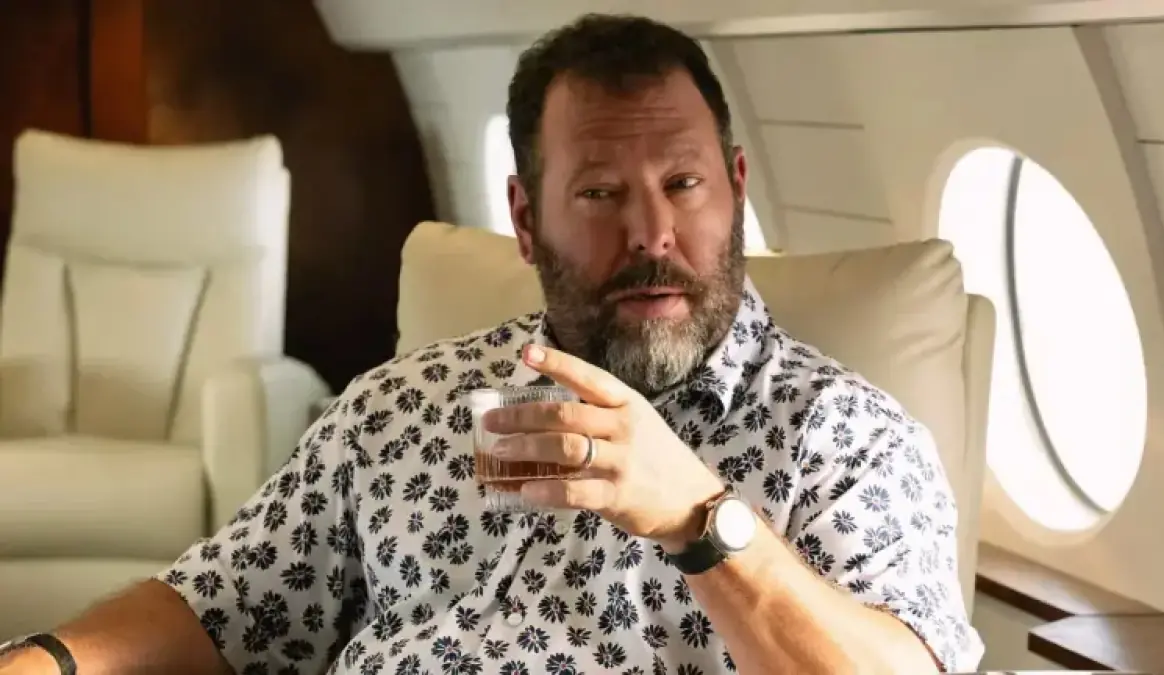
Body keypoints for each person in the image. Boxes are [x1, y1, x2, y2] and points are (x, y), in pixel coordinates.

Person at [0, 13, 984, 675]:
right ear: (524, 218)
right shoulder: (404, 404)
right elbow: (221, 602)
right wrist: (44, 662)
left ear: (734, 188)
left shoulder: (843, 438)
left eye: (683, 185)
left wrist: (698, 519)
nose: (651, 233)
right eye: (599, 193)